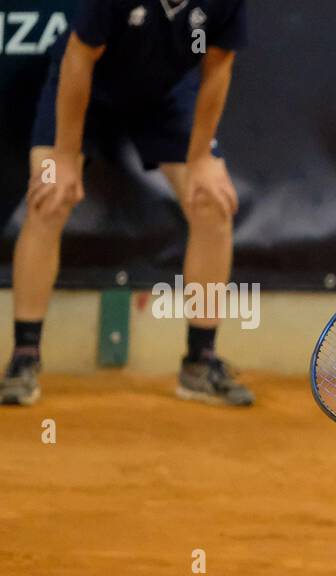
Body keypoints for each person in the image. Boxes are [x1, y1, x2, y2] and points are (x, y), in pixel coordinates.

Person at [2, 0, 252, 407]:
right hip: (86, 82)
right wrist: (64, 158)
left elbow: (219, 65)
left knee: (213, 203)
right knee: (49, 194)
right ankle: (24, 357)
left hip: (167, 93)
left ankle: (199, 362)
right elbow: (80, 58)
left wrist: (202, 155)